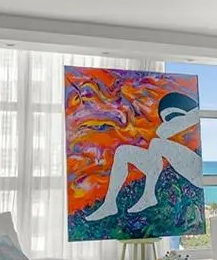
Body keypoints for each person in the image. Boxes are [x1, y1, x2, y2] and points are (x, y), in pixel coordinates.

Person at [85, 91, 201, 221]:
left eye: (172, 117)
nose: (169, 122)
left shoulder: (197, 113)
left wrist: (179, 121)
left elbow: (163, 131)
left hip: (198, 173)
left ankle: (148, 195)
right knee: (123, 152)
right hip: (191, 166)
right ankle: (110, 203)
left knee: (157, 143)